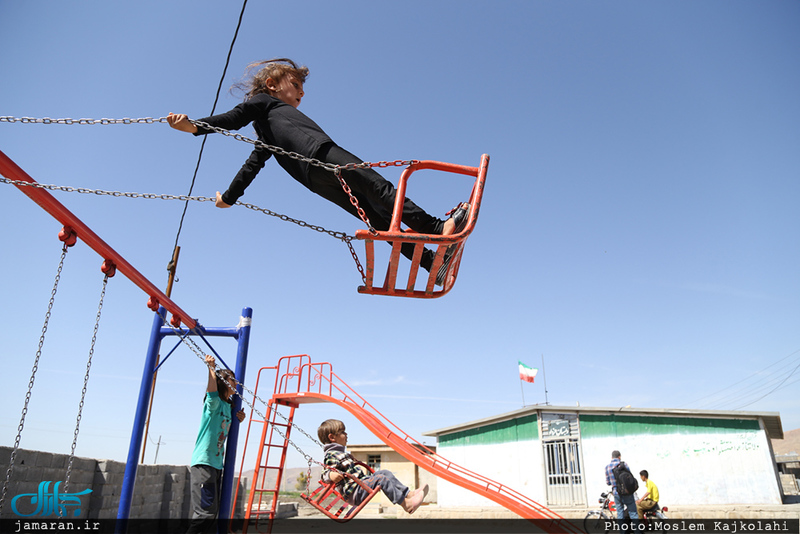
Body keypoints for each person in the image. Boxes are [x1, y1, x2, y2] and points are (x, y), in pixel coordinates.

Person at [167, 58, 469, 284]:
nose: (301, 93)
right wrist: (195, 127)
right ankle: (435, 228)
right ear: (272, 84)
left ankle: (431, 264)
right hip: (322, 154)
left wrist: (229, 198)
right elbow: (235, 117)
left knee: (377, 219)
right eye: (295, 85)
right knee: (378, 187)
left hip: (315, 180)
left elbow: (252, 166)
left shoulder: (267, 136)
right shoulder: (264, 103)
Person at [186, 355, 246, 534]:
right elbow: (211, 391)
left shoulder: (229, 406)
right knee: (205, 513)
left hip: (216, 465)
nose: (236, 383)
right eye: (232, 380)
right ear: (223, 383)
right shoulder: (213, 403)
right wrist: (211, 368)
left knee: (212, 513)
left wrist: (239, 419)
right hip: (204, 462)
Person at [317, 419, 428, 514]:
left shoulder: (340, 453)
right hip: (354, 492)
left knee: (384, 473)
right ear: (332, 437)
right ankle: (406, 504)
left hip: (360, 485)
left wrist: (349, 459)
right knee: (381, 479)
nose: (346, 434)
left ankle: (408, 494)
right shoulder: (331, 455)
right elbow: (324, 473)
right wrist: (331, 474)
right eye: (342, 432)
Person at [604, 450, 639, 529]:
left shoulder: (607, 467)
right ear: (619, 457)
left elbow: (608, 482)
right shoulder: (624, 464)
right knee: (633, 513)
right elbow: (630, 478)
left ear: (611, 457)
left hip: (616, 493)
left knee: (620, 514)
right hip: (627, 493)